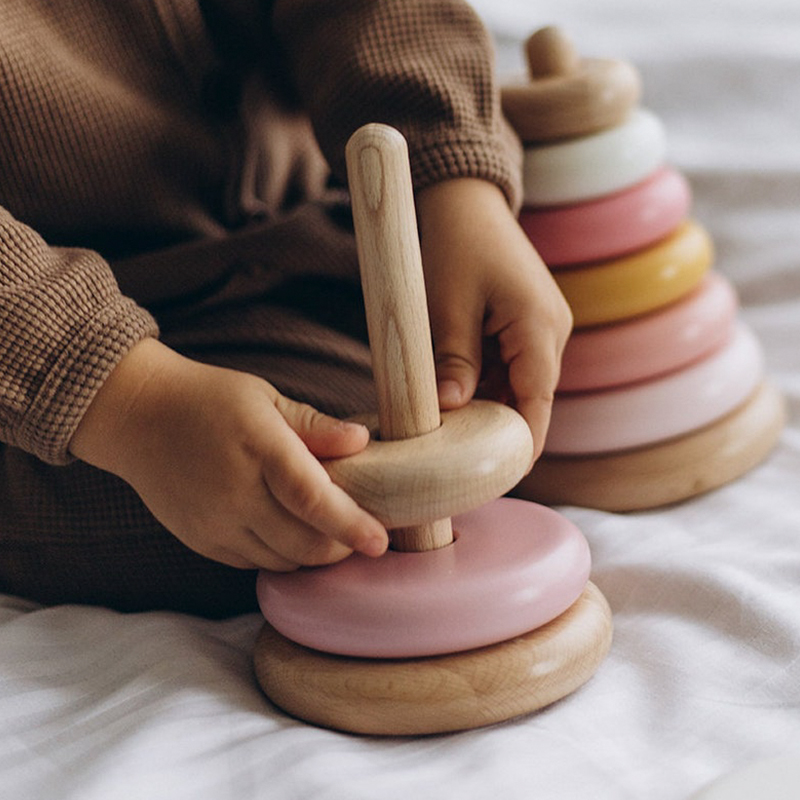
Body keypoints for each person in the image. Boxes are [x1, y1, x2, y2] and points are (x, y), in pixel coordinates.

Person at [0, 0, 571, 617]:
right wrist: (135, 404)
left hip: (305, 224)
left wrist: (457, 181)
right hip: (59, 360)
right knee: (308, 502)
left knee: (524, 348)